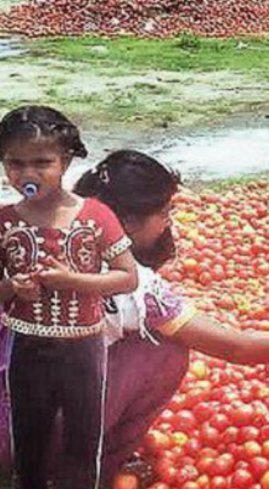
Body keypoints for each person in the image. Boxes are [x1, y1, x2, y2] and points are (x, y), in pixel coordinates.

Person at [0, 150, 269, 487]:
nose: (168, 222)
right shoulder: (136, 286)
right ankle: (95, 469)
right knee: (167, 348)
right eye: (165, 212)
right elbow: (236, 346)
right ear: (128, 223)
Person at [0, 106, 139, 489]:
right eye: (15, 163)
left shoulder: (96, 216)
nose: (27, 174)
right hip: (26, 348)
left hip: (83, 349)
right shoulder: (5, 220)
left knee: (83, 440)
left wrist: (74, 281)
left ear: (65, 161)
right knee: (29, 438)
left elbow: (126, 278)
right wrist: (14, 288)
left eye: (41, 162)